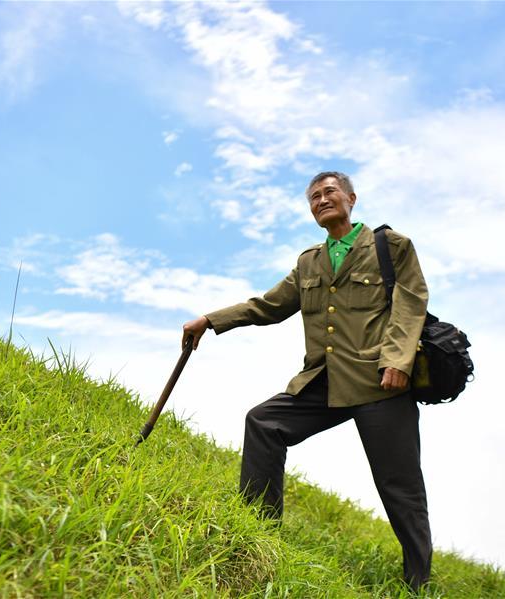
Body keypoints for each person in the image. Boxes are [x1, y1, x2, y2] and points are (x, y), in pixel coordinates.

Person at [181, 171, 432, 590]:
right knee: (264, 422)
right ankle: (257, 536)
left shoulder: (391, 246)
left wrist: (397, 361)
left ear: (351, 198)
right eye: (314, 197)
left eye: (329, 192)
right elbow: (269, 306)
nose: (321, 200)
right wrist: (210, 320)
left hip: (380, 382)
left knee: (400, 485)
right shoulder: (309, 262)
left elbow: (411, 302)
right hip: (325, 381)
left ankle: (418, 582)